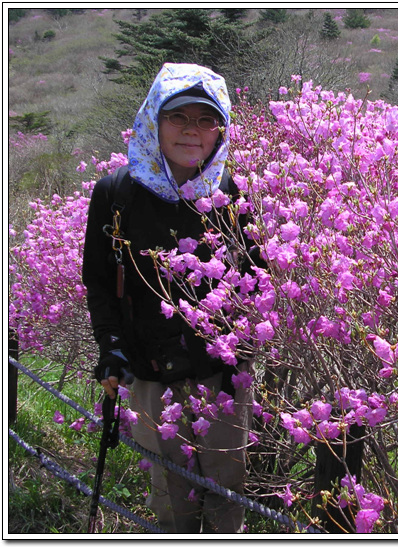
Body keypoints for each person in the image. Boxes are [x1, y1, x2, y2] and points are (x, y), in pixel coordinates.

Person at [83, 63, 258, 534]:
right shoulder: (117, 193)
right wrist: (111, 349)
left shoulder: (231, 193)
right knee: (169, 494)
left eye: (206, 119)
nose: (191, 131)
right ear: (153, 121)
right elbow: (98, 281)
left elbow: (259, 278)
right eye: (178, 117)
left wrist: (243, 351)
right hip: (148, 369)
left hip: (221, 373)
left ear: (221, 129)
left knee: (227, 489)